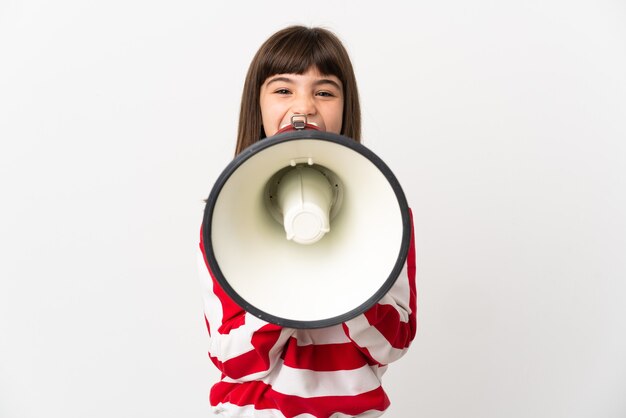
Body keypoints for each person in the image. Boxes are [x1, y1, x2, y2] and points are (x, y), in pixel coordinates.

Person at [198, 25, 417, 417]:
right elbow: (233, 359)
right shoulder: (222, 218)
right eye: (283, 90)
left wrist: (353, 282)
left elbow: (392, 344)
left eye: (325, 91)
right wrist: (285, 292)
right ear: (257, 104)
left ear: (346, 105)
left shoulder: (387, 215)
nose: (304, 107)